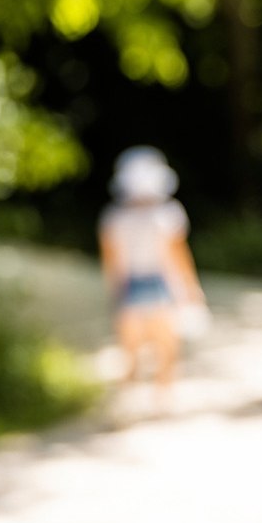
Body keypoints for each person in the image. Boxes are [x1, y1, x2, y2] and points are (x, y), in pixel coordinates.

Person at [99, 146, 205, 410]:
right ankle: (162, 396)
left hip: (131, 285)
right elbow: (179, 256)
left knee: (131, 347)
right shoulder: (168, 214)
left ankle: (129, 398)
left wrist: (115, 291)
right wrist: (191, 289)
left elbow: (111, 261)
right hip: (161, 285)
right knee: (166, 345)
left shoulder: (114, 218)